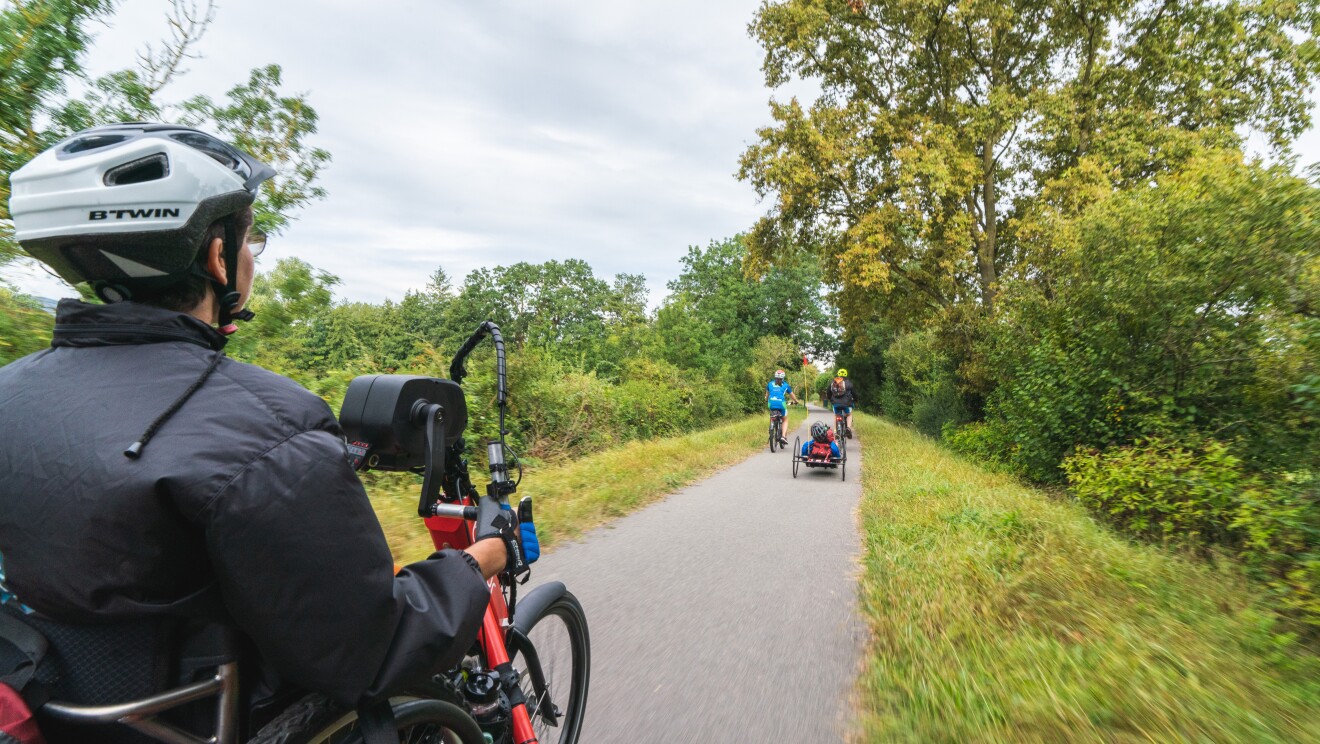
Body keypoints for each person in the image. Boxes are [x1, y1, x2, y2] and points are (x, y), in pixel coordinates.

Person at [0, 124, 510, 738]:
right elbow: (370, 649)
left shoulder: (12, 390)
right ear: (218, 257)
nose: (250, 254)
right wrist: (480, 558)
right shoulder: (266, 427)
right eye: (251, 239)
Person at [765, 368, 800, 446]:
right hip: (781, 404)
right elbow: (792, 395)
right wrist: (796, 401)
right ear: (783, 378)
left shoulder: (770, 384)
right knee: (785, 419)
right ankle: (783, 436)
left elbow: (767, 395)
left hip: (771, 404)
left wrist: (766, 400)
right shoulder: (786, 385)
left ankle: (771, 426)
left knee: (772, 414)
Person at [828, 368, 858, 438]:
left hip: (835, 403)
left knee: (836, 416)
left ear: (838, 374)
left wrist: (830, 399)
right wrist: (856, 399)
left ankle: (835, 432)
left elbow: (828, 392)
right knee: (849, 415)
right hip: (846, 403)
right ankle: (848, 428)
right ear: (846, 374)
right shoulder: (849, 382)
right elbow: (854, 393)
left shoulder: (833, 382)